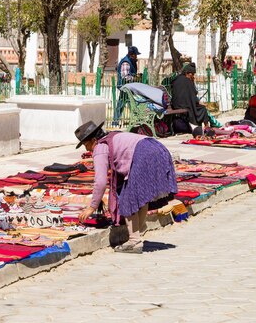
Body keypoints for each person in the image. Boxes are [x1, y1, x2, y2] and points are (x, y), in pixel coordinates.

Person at [75, 120, 177, 254]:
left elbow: (100, 181)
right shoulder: (112, 136)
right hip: (158, 149)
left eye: (86, 144)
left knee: (128, 197)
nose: (87, 149)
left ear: (94, 140)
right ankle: (137, 233)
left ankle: (134, 241)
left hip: (144, 155)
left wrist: (92, 207)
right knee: (141, 195)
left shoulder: (100, 147)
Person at [170, 62, 210, 134]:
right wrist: (199, 102)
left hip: (176, 105)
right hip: (185, 105)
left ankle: (202, 127)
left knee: (198, 107)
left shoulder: (177, 79)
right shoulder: (188, 81)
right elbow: (193, 96)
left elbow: (190, 95)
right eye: (192, 74)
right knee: (202, 108)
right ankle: (206, 127)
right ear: (187, 73)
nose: (193, 76)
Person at [113, 46, 140, 124]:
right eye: (135, 55)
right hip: (124, 86)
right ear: (131, 55)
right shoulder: (126, 62)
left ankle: (135, 120)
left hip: (129, 86)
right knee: (122, 104)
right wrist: (134, 78)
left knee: (131, 103)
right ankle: (115, 121)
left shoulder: (131, 61)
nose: (136, 56)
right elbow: (125, 76)